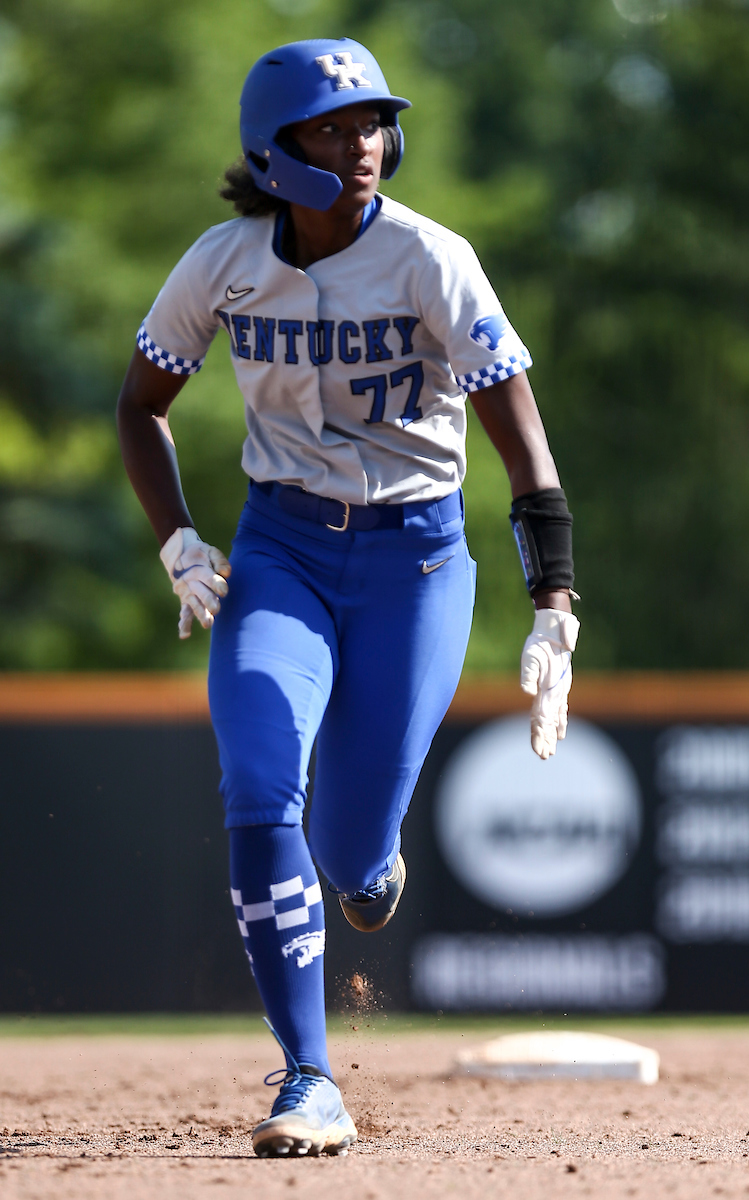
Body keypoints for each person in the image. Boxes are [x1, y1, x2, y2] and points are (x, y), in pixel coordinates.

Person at [116, 37, 579, 1160]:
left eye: (372, 121)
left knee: (347, 847)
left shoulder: (429, 255)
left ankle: (367, 866)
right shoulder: (225, 260)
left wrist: (554, 599)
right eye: (331, 127)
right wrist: (178, 538)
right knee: (261, 780)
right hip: (279, 551)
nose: (361, 144)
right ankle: (310, 1077)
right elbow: (141, 405)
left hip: (415, 562)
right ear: (275, 154)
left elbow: (519, 434)